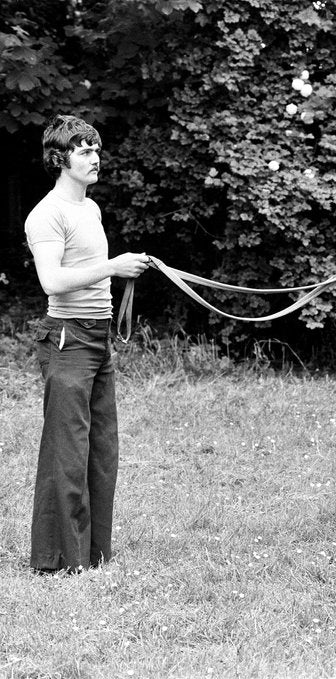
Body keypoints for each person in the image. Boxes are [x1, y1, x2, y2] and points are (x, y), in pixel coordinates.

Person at [23, 114, 150, 574]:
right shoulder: (47, 214)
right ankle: (57, 560)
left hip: (98, 340)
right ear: (60, 158)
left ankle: (93, 555)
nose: (95, 158)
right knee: (67, 451)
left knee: (102, 450)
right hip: (67, 340)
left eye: (96, 149)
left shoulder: (90, 209)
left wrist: (118, 269)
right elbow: (52, 280)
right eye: (84, 151)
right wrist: (113, 267)